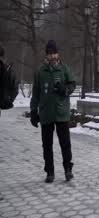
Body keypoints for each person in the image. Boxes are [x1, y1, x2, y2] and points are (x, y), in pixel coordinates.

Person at [30, 40, 76, 183]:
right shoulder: (40, 72)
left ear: (58, 53)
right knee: (47, 145)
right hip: (46, 113)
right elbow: (36, 92)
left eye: (54, 53)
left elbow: (72, 84)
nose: (52, 56)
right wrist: (33, 111)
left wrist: (65, 89)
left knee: (65, 144)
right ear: (47, 55)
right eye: (50, 54)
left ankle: (68, 170)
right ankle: (49, 172)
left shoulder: (64, 69)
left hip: (62, 113)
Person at [0, 44, 18, 113]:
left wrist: (8, 99)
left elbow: (15, 86)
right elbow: (15, 87)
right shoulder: (7, 69)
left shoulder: (7, 70)